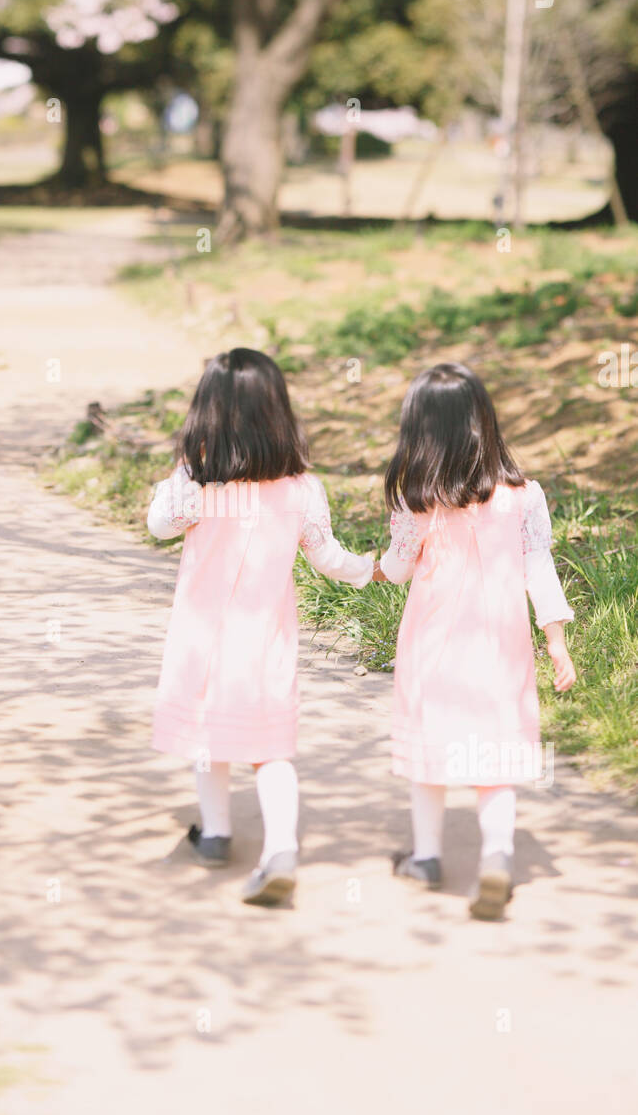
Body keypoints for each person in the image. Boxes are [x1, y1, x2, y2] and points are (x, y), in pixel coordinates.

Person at [148, 348, 373, 906]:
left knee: (208, 737)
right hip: (265, 641)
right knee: (270, 748)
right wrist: (372, 569)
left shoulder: (198, 479)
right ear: (278, 411)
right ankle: (280, 850)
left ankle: (217, 835)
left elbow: (158, 526)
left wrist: (186, 476)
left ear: (208, 412)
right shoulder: (300, 489)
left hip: (203, 639)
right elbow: (326, 556)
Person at [374, 362, 576, 920]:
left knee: (429, 750)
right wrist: (555, 641)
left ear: (419, 429)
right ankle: (496, 861)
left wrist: (374, 570)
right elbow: (541, 568)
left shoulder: (417, 499)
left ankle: (428, 856)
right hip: (501, 645)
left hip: (432, 643)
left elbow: (397, 567)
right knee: (496, 755)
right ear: (483, 421)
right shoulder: (523, 496)